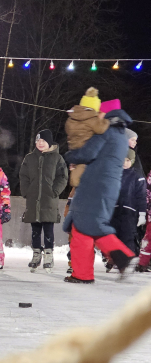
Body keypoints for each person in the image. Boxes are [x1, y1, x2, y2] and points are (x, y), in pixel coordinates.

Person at [63, 99, 137, 283]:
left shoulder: (106, 131)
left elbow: (87, 153)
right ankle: (83, 274)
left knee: (91, 226)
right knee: (83, 228)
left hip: (95, 185)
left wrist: (70, 155)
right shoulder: (120, 134)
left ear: (106, 114)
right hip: (106, 186)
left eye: (99, 113)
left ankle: (124, 258)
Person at [19, 129, 68, 273]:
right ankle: (36, 254)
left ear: (49, 143)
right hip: (33, 200)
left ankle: (48, 255)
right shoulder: (29, 158)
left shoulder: (57, 158)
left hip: (49, 200)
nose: (40, 143)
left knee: (48, 229)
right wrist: (26, 191)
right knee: (35, 229)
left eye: (43, 141)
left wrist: (55, 191)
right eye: (38, 141)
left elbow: (63, 177)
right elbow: (23, 176)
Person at [107, 148, 146, 271]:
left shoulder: (137, 177)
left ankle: (129, 260)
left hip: (130, 212)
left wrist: (142, 213)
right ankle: (116, 260)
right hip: (114, 211)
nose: (125, 163)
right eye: (122, 160)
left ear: (132, 161)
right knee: (113, 237)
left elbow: (141, 196)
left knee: (127, 236)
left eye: (128, 160)